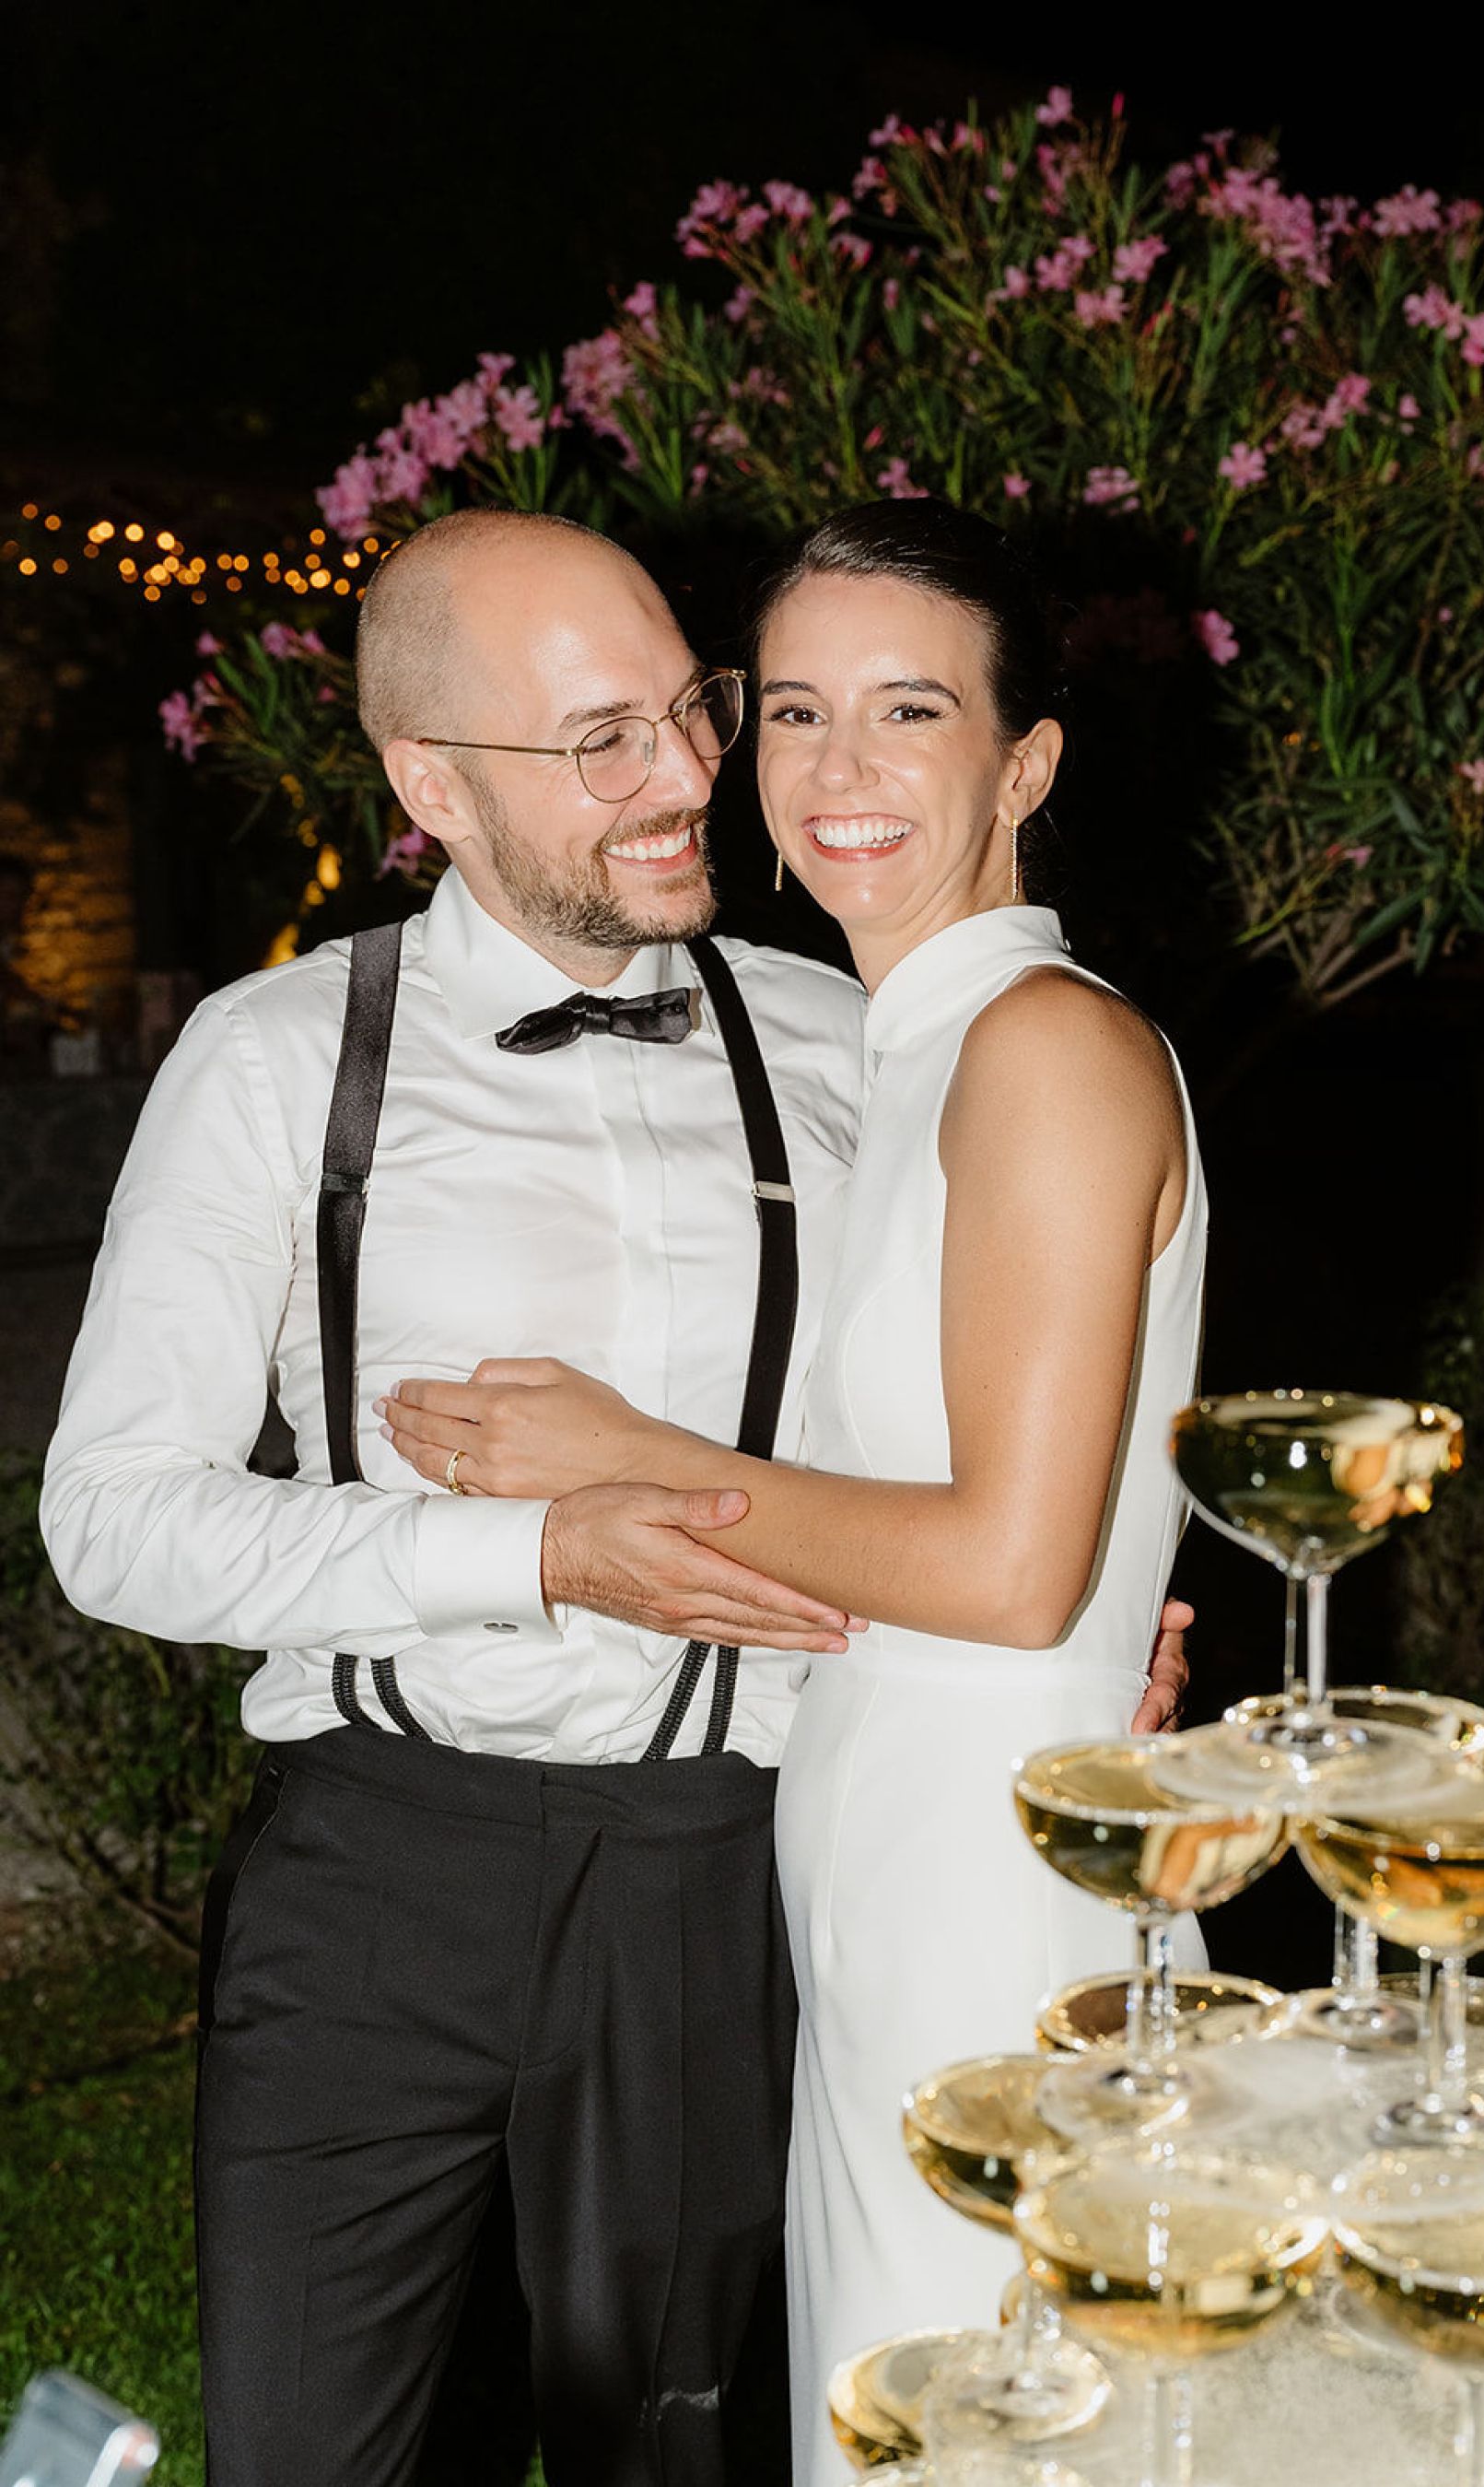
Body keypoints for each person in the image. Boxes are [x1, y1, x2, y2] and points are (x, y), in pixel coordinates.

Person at [40, 508, 876, 2487]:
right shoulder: (272, 1062)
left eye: (692, 707)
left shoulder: (853, 1043)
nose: (687, 778)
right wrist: (530, 1553)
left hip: (717, 1866)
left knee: (668, 2443)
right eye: (603, 741)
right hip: (379, 1877)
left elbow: (963, 1455)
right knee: (311, 2448)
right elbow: (114, 1515)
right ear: (431, 783)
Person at [377, 500, 1209, 2485]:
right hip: (883, 1851)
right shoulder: (907, 1045)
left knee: (982, 2416)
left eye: (909, 712)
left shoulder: (1042, 1046)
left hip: (988, 1884)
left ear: (1026, 764)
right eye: (796, 712)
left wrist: (629, 1456)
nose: (835, 774)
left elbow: (1012, 1574)